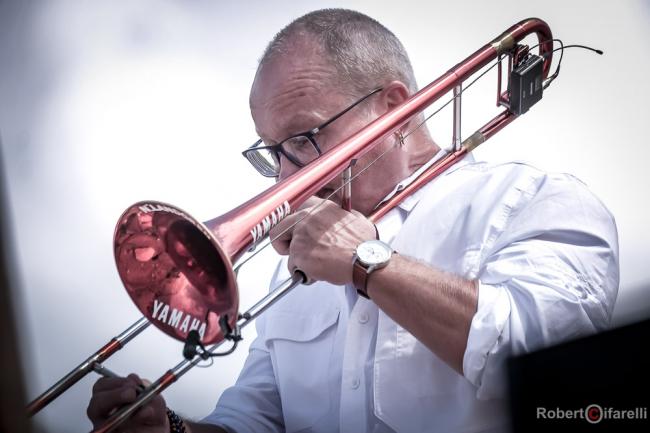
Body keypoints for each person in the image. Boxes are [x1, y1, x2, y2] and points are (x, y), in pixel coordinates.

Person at [87, 9, 619, 433]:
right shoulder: (294, 275)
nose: (284, 179)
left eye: (303, 139)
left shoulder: (535, 199)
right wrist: (170, 430)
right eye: (273, 152)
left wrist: (370, 265)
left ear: (392, 108)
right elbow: (256, 421)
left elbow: (549, 366)